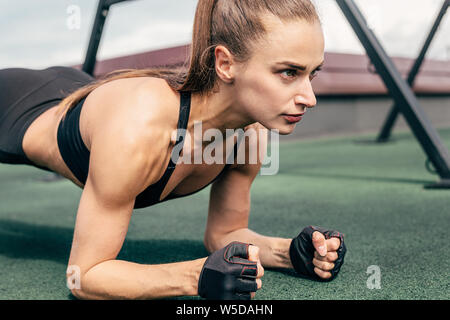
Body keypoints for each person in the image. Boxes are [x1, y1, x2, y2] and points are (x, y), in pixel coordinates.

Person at [0, 0, 346, 300]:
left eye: (312, 75)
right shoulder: (140, 127)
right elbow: (84, 275)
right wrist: (194, 277)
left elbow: (222, 235)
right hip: (15, 104)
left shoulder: (251, 135)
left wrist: (290, 253)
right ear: (225, 64)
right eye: (289, 72)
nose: (309, 98)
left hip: (81, 91)